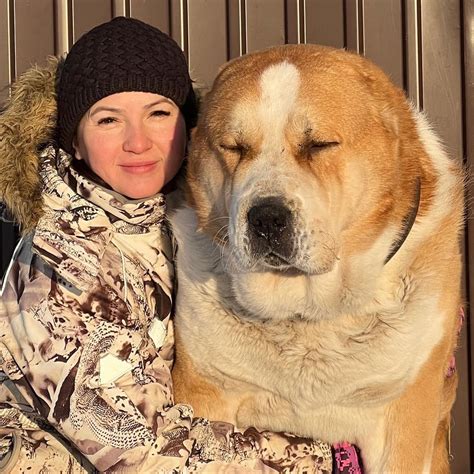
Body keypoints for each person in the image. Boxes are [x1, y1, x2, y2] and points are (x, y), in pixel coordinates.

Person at [0, 17, 342, 472]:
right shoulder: (61, 267)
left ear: (190, 125)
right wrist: (323, 461)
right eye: (108, 120)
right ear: (75, 143)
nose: (138, 142)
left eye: (158, 113)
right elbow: (139, 452)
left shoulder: (194, 215)